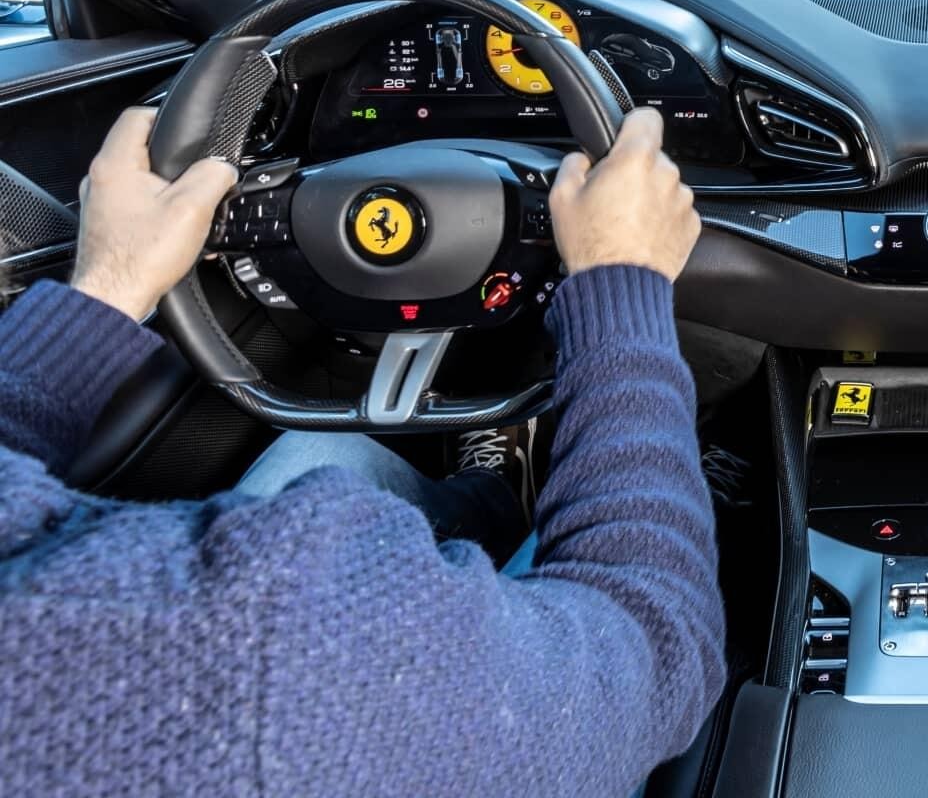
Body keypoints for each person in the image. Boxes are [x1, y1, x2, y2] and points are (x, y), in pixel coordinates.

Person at [0, 106, 725, 797]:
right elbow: (656, 636)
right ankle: (643, 487)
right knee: (638, 519)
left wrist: (110, 283)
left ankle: (498, 489)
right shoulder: (277, 669)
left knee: (325, 456)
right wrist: (621, 280)